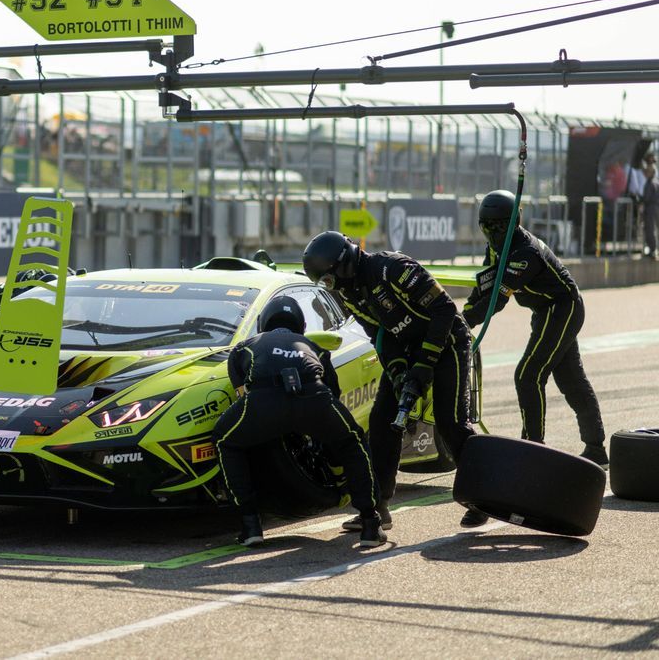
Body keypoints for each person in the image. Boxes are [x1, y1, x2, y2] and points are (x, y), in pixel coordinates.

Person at [302, 231, 485, 528]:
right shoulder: (349, 294)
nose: (330, 288)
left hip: (448, 341)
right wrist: (399, 372)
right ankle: (376, 507)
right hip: (408, 348)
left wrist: (425, 364)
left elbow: (445, 309)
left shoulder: (393, 269)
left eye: (329, 280)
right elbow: (379, 334)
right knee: (382, 420)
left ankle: (483, 495)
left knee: (450, 422)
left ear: (343, 265)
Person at [213, 296, 386, 548]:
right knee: (353, 441)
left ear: (262, 324)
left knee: (224, 440)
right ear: (301, 325)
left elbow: (241, 390)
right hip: (313, 398)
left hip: (264, 401)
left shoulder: (245, 346)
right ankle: (371, 523)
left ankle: (250, 525)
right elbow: (333, 392)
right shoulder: (314, 346)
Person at [463, 190, 609, 467]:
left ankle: (533, 446)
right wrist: (462, 316)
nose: (494, 232)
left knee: (528, 375)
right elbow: (483, 288)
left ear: (515, 222)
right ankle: (596, 448)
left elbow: (496, 300)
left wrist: (464, 323)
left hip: (563, 308)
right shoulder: (495, 248)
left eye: (500, 226)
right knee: (570, 379)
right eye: (487, 226)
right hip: (543, 311)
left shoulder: (525, 252)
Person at [642, 160, 659, 260]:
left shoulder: (650, 183)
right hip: (656, 207)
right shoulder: (656, 181)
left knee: (650, 229)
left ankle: (653, 250)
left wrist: (640, 199)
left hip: (651, 208)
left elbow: (646, 198)